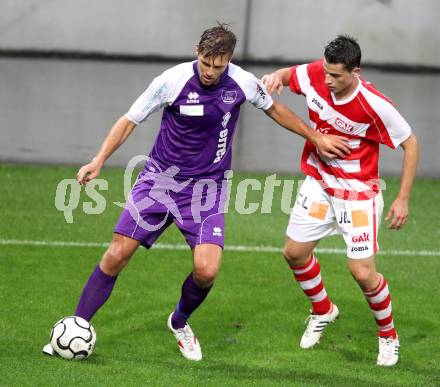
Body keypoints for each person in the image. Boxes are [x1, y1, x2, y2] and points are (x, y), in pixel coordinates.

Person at [42, 24, 350, 361]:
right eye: (205, 63)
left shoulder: (242, 83)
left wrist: (316, 138)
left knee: (207, 271)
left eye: (218, 66)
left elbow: (276, 109)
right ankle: (75, 327)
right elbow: (130, 120)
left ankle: (179, 322)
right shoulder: (171, 81)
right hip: (160, 182)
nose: (210, 71)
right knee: (116, 255)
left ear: (229, 61)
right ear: (197, 52)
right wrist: (99, 159)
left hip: (207, 189)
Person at [262, 35, 419, 366]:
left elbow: (411, 143)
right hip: (319, 184)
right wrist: (276, 76)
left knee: (362, 273)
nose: (328, 80)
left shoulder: (374, 105)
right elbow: (290, 76)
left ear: (355, 71)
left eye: (337, 76)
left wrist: (402, 199)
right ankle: (323, 310)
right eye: (327, 72)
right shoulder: (318, 73)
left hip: (357, 193)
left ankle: (388, 336)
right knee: (294, 253)